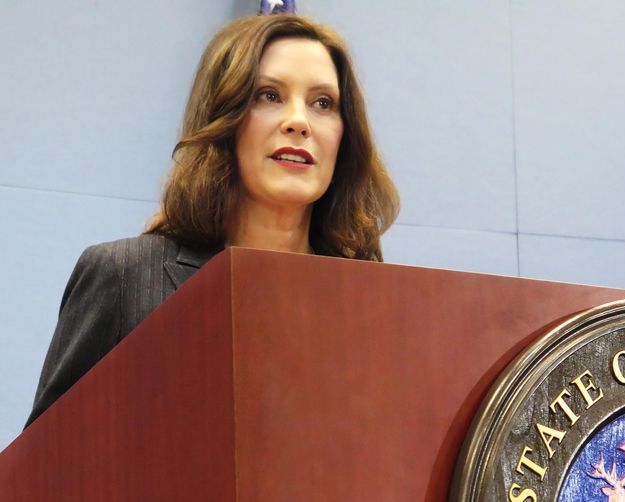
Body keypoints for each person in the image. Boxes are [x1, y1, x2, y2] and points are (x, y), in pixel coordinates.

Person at [25, 14, 398, 427]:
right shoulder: (124, 277)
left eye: (323, 103)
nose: (299, 121)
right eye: (269, 95)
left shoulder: (370, 306)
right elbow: (50, 459)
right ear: (223, 118)